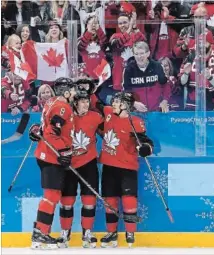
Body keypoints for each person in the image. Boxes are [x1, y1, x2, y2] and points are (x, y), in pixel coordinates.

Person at [97, 92, 153, 248]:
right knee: (110, 201)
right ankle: (111, 233)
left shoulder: (136, 122)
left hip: (127, 167)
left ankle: (130, 232)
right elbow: (96, 103)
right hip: (108, 166)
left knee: (129, 200)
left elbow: (147, 142)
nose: (113, 104)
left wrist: (146, 149)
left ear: (124, 105)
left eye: (116, 102)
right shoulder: (108, 113)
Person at [28, 77, 75, 249]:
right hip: (50, 156)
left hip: (46, 154)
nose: (75, 93)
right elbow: (51, 133)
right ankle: (40, 233)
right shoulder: (62, 106)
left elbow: (44, 128)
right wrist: (64, 151)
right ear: (66, 91)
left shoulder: (51, 103)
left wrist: (36, 130)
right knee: (51, 196)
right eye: (73, 89)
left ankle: (41, 233)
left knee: (52, 195)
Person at [56, 88, 103, 249]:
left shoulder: (96, 117)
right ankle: (64, 233)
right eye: (82, 101)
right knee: (67, 201)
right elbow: (52, 131)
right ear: (75, 103)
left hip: (88, 163)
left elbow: (110, 130)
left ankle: (87, 233)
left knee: (89, 200)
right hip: (69, 164)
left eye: (87, 101)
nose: (86, 104)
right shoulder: (66, 116)